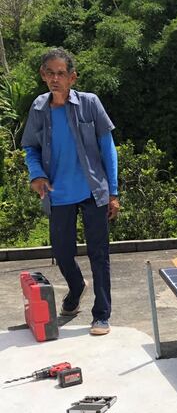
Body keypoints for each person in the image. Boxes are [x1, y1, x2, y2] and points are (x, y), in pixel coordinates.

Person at [22, 48, 119, 336]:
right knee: (62, 253)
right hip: (58, 193)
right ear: (42, 75)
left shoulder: (90, 104)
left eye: (61, 73)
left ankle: (101, 315)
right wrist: (36, 174)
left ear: (72, 77)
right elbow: (31, 148)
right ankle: (76, 288)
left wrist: (113, 192)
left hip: (93, 191)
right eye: (49, 73)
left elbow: (107, 149)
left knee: (98, 254)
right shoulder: (38, 108)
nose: (55, 78)